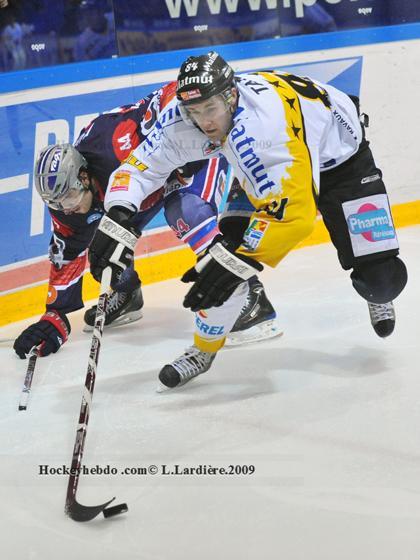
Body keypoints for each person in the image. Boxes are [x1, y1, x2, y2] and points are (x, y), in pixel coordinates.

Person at [85, 51, 407, 390]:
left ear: (231, 95)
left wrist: (239, 261)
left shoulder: (264, 131)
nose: (205, 122)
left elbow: (294, 217)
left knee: (382, 280)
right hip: (265, 168)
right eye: (195, 111)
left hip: (342, 161)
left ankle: (377, 290)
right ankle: (203, 350)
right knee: (225, 258)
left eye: (210, 108)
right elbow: (139, 167)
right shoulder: (183, 118)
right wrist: (118, 215)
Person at [13, 85, 279, 359]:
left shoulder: (116, 145)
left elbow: (173, 93)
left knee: (185, 210)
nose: (68, 210)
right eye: (59, 205)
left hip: (189, 159)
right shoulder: (66, 204)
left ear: (83, 177)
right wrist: (54, 316)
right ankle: (127, 293)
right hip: (140, 183)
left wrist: (187, 156)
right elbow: (67, 255)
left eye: (69, 199)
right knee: (105, 236)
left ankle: (249, 296)